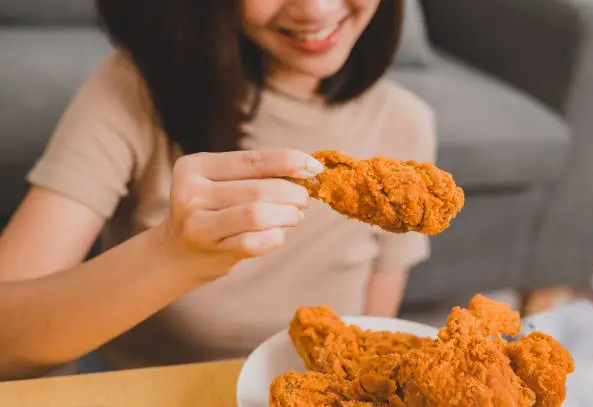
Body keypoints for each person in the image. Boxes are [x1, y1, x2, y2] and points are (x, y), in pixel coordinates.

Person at [0, 0, 436, 379]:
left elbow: (376, 330)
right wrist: (171, 255)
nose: (317, 8)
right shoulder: (134, 89)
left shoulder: (406, 123)